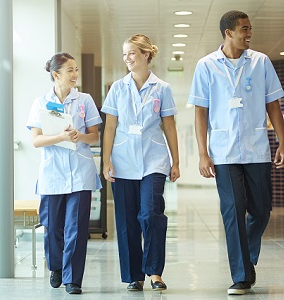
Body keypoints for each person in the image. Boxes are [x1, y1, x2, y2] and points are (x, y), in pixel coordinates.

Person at [188, 10, 284, 295]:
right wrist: (202, 153)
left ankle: (244, 255)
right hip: (223, 152)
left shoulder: (261, 62)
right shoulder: (206, 65)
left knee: (261, 211)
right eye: (244, 29)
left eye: (250, 29)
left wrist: (282, 142)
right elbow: (200, 112)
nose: (249, 34)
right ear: (228, 32)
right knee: (233, 211)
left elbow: (273, 105)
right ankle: (242, 274)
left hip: (257, 149)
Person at [101, 34, 180, 292]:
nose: (127, 59)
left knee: (150, 213)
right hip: (123, 162)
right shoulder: (117, 88)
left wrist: (175, 161)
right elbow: (110, 126)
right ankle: (134, 275)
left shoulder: (162, 88)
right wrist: (106, 161)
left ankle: (155, 271)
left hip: (154, 161)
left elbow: (169, 125)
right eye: (124, 54)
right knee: (126, 221)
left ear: (146, 54)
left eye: (132, 53)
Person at [26, 52, 102, 295]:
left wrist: (80, 137)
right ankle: (57, 267)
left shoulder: (85, 100)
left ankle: (73, 279)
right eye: (70, 70)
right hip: (52, 174)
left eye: (76, 70)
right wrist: (60, 136)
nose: (75, 74)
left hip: (80, 171)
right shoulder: (41, 103)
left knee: (77, 228)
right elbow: (36, 140)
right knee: (52, 227)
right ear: (56, 75)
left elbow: (94, 135)